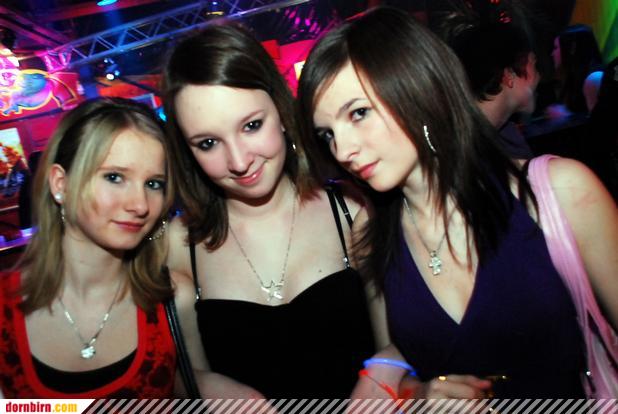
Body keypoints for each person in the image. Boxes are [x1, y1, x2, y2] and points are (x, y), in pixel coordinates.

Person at [297, 6, 618, 398]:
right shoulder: (374, 234)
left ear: (420, 90)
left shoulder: (561, 191)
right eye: (328, 134)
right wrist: (422, 395)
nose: (343, 150)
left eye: (359, 113)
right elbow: (399, 365)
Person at [162, 22, 375, 398]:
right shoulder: (177, 245)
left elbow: (404, 351)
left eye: (252, 125)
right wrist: (200, 384)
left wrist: (388, 370)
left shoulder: (352, 210)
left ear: (281, 110)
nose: (239, 161)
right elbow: (169, 375)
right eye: (208, 143)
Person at [0, 98, 191, 398]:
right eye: (114, 177)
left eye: (154, 184)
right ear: (61, 184)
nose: (140, 205)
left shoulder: (174, 298)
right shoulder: (4, 307)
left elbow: (189, 386)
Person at [435, 2, 538, 160]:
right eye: (533, 66)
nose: (538, 77)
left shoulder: (503, 135)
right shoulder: (459, 150)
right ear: (509, 75)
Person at [549, 24, 604, 117]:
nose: (552, 53)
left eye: (556, 48)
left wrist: (566, 116)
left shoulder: (594, 78)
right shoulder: (574, 77)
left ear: (572, 48)